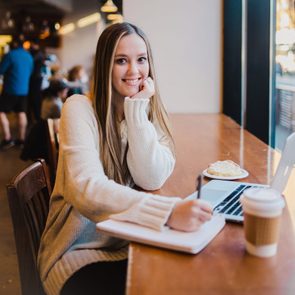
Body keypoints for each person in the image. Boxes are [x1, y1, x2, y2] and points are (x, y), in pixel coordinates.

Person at [38, 22, 213, 295]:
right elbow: (87, 188)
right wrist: (167, 212)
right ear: (106, 65)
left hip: (129, 241)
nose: (134, 71)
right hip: (79, 253)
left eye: (141, 60)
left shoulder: (146, 112)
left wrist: (136, 111)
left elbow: (150, 176)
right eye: (121, 60)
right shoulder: (79, 108)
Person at [0, 35, 33, 149]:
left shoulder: (10, 55)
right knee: (21, 112)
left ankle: (8, 138)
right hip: (24, 90)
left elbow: (1, 70)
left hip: (10, 89)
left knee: (1, 112)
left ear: (13, 44)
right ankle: (21, 139)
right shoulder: (29, 56)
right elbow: (30, 71)